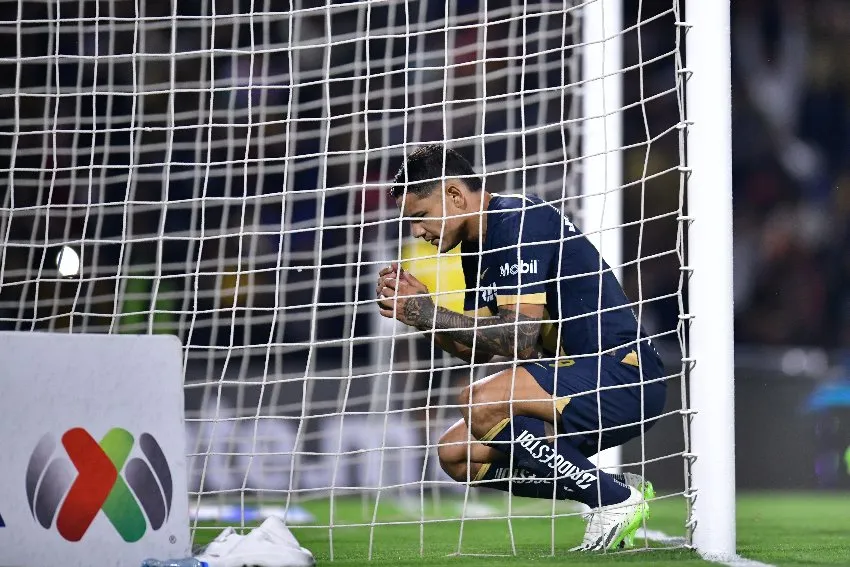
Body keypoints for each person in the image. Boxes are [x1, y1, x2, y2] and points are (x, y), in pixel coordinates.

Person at [376, 145, 667, 551]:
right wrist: (419, 314)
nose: (417, 232)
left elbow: (518, 337)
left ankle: (612, 501)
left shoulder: (518, 220)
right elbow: (473, 350)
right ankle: (608, 486)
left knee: (480, 402)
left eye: (420, 216)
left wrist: (428, 313)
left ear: (455, 195)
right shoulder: (476, 245)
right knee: (457, 454)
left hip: (623, 376)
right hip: (575, 382)